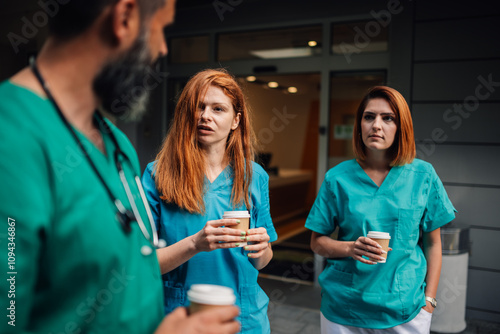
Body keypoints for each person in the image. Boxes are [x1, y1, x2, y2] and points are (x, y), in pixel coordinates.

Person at [0, 0, 240, 333]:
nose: (161, 48)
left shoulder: (117, 144)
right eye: (160, 29)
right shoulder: (11, 140)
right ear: (124, 17)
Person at [306, 86, 456, 333]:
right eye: (369, 117)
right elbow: (316, 241)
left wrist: (429, 300)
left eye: (388, 118)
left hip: (404, 307)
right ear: (359, 125)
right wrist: (350, 248)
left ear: (401, 127)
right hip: (345, 306)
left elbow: (433, 244)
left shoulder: (423, 176)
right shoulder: (337, 178)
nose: (376, 125)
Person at [141, 68, 277, 334]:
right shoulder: (158, 174)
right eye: (199, 107)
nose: (205, 116)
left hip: (244, 317)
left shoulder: (254, 176)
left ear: (236, 120)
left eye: (218, 109)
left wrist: (262, 249)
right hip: (182, 317)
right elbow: (143, 264)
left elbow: (263, 260)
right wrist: (194, 244)